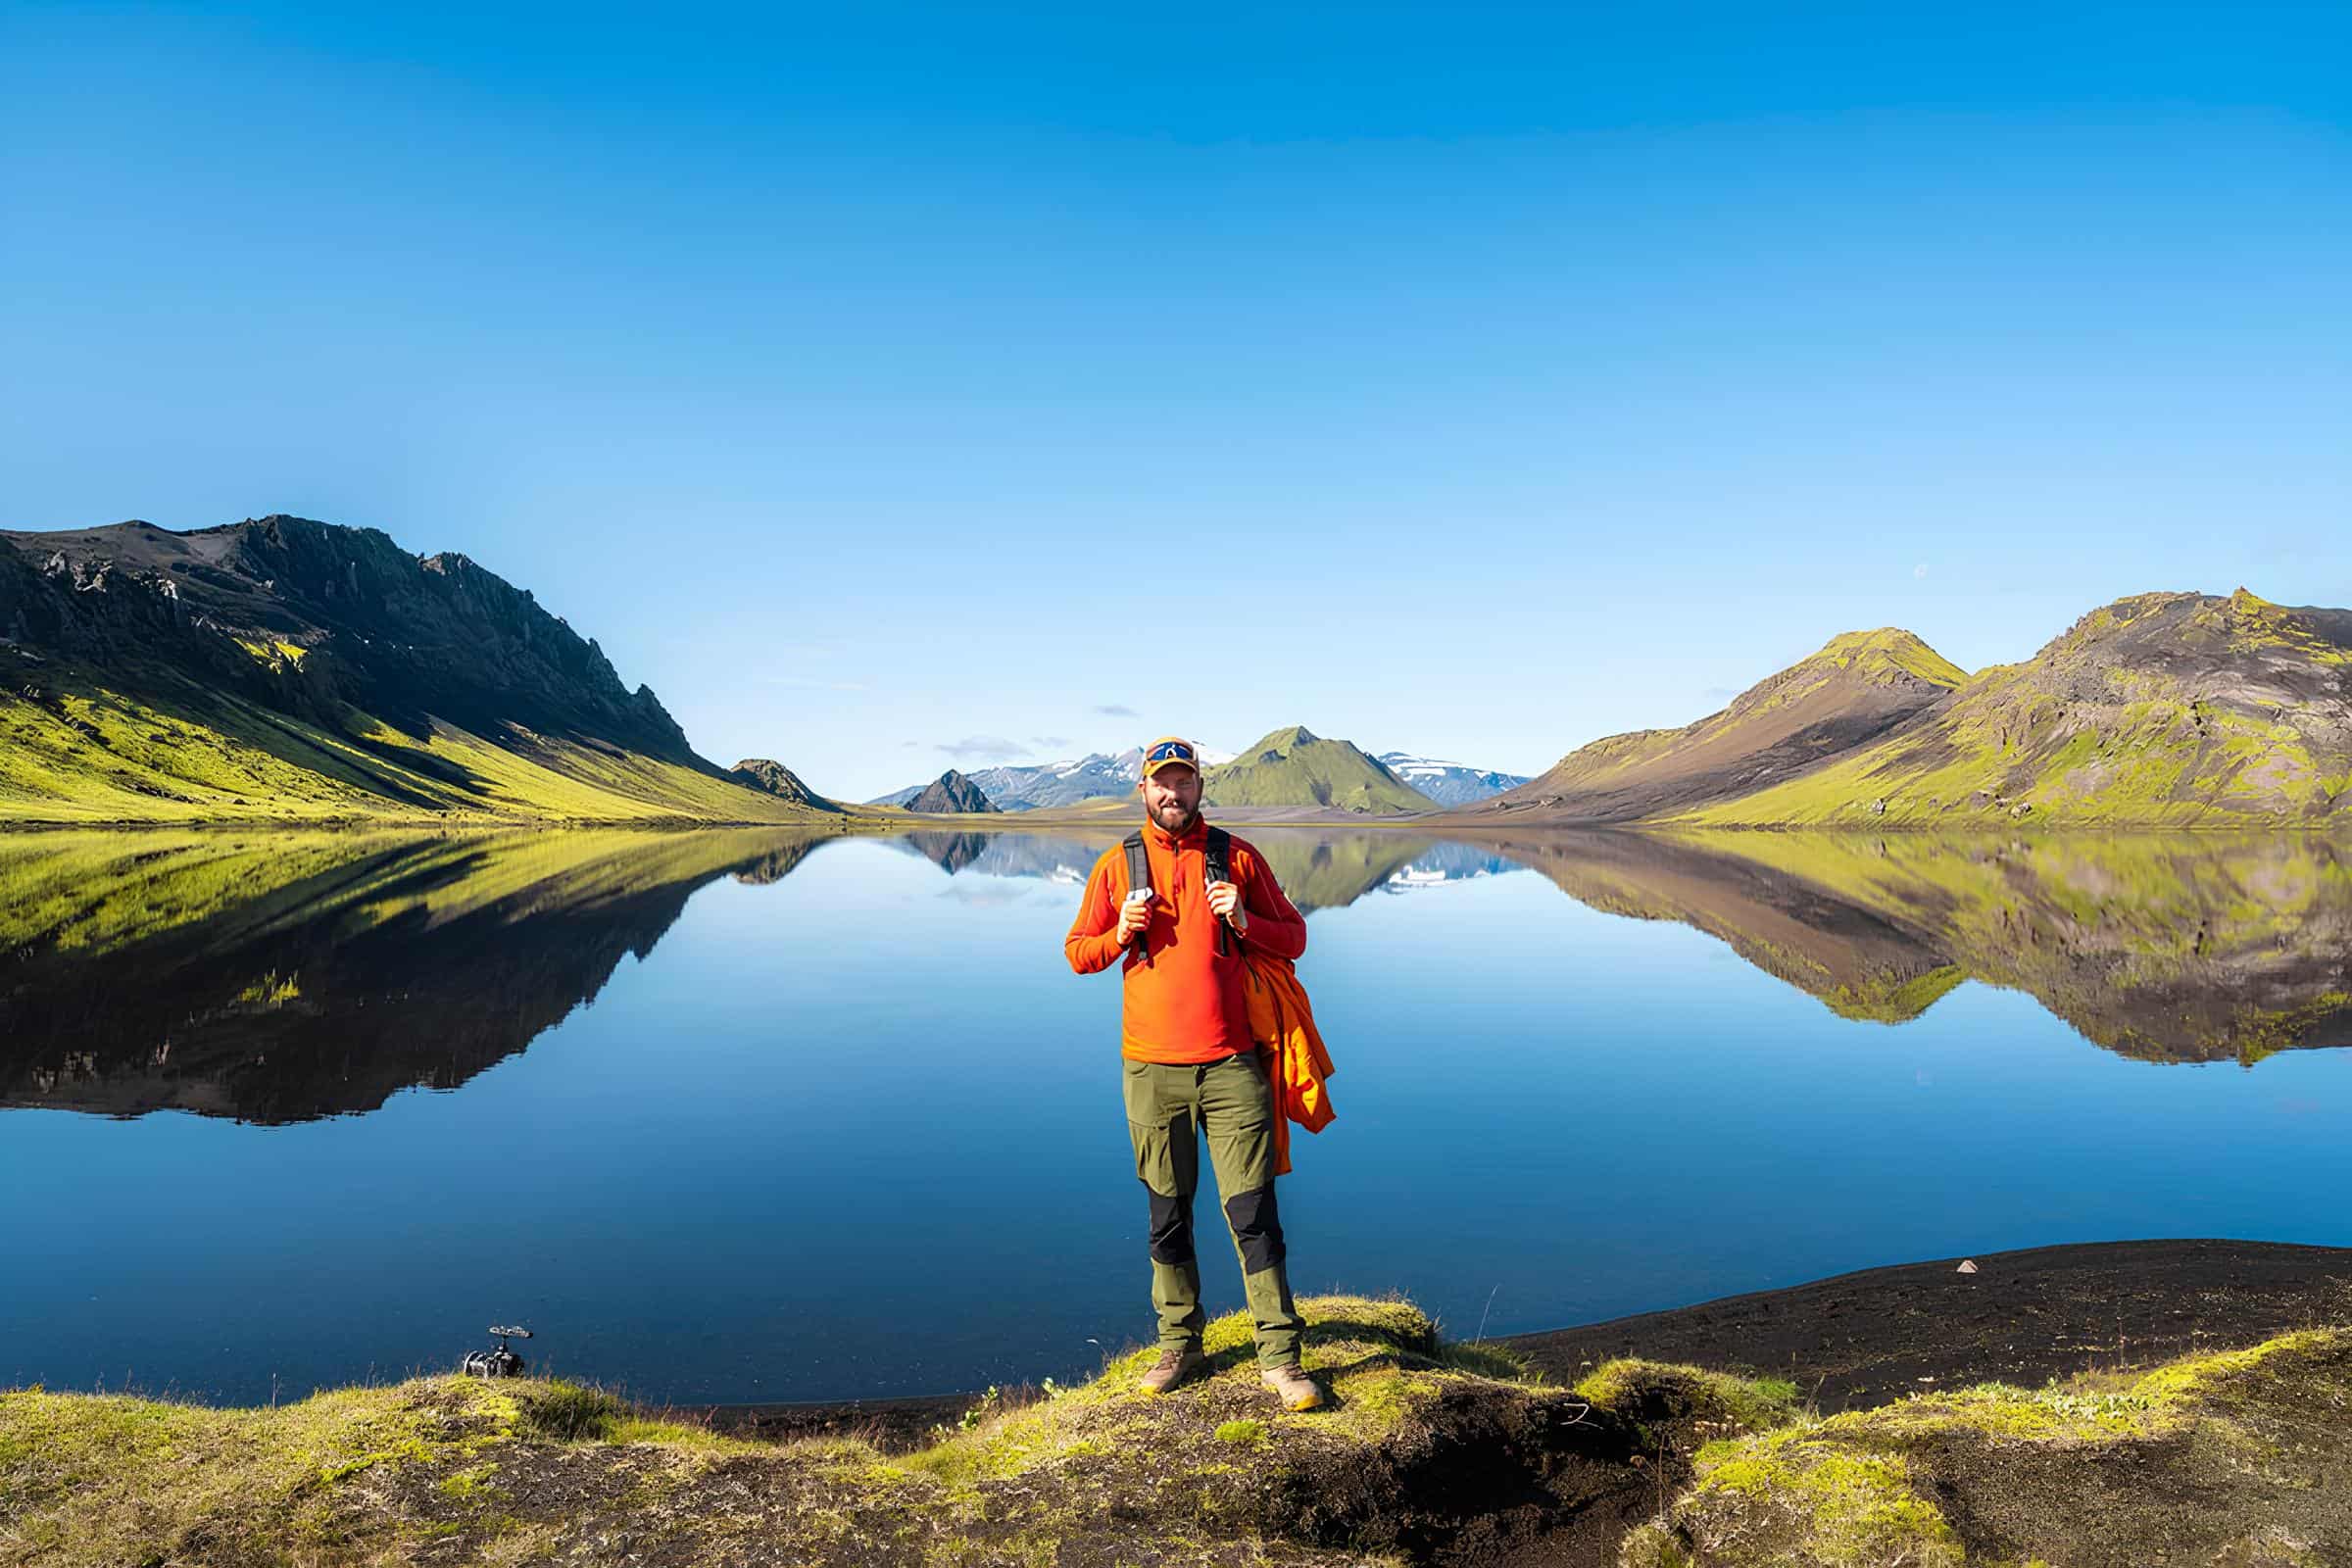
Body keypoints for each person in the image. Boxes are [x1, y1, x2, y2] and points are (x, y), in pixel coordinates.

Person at [1063, 736, 1323, 1410]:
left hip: (1233, 1066)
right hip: (1152, 1069)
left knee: (1254, 1214)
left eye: (1183, 781)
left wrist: (1245, 919)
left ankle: (1280, 1358)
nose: (1172, 793)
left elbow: (1295, 936)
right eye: (1161, 783)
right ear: (1143, 791)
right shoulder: (1117, 866)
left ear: (1200, 787)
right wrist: (1120, 933)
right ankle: (1180, 1344)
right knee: (1167, 1216)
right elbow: (1078, 954)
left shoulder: (1237, 858)